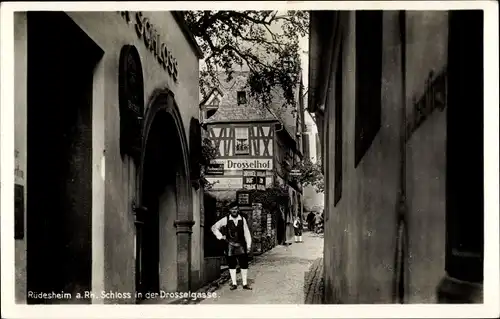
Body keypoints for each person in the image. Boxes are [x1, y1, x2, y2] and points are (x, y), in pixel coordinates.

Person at [211, 202, 253, 290]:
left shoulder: (242, 219)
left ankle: (245, 284)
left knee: (244, 264)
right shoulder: (225, 219)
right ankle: (234, 284)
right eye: (233, 209)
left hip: (241, 244)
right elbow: (214, 227)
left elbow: (247, 233)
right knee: (232, 264)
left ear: (238, 210)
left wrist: (248, 245)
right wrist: (220, 236)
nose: (234, 211)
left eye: (236, 209)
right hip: (230, 245)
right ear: (230, 210)